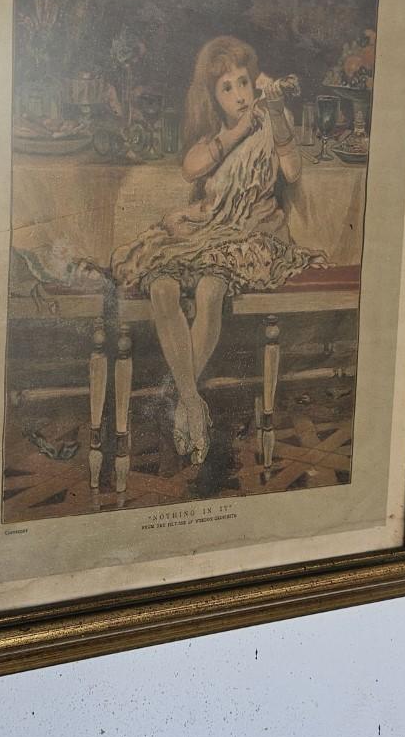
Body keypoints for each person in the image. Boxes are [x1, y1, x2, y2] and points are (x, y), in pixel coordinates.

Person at [111, 35, 326, 465]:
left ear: (254, 82)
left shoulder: (271, 123)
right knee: (162, 288)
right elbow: (191, 168)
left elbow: (291, 169)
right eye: (227, 88)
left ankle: (183, 403)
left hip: (253, 237)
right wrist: (237, 132)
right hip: (207, 231)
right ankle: (193, 402)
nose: (239, 94)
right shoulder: (216, 136)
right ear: (213, 96)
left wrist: (275, 110)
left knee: (210, 291)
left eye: (243, 82)